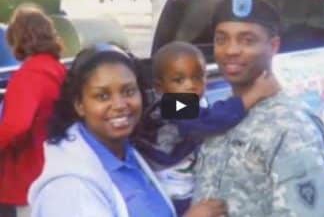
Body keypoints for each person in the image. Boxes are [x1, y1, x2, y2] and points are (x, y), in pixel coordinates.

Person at [28, 43, 227, 217]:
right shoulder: (69, 190)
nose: (120, 104)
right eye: (102, 96)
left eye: (128, 91)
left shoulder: (131, 153)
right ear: (79, 104)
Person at [192, 0, 324, 217]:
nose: (231, 50)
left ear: (273, 46)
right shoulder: (220, 108)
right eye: (221, 39)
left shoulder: (290, 129)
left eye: (247, 40)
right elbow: (166, 110)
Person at [133, 41, 279, 215]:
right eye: (179, 80)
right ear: (159, 87)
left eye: (197, 77)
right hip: (170, 186)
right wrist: (255, 94)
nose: (190, 85)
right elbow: (211, 120)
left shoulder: (190, 102)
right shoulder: (170, 106)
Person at [0, 4, 66, 217]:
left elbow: (16, 125)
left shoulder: (28, 76)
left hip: (28, 174)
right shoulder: (57, 69)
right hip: (54, 166)